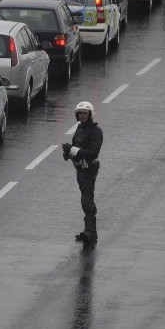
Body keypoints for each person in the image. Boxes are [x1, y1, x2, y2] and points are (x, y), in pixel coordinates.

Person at [62, 101, 102, 244]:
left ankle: (90, 233)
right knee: (85, 198)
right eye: (80, 113)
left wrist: (72, 150)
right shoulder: (80, 129)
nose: (82, 116)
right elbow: (75, 147)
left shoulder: (96, 131)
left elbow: (92, 153)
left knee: (87, 199)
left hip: (90, 168)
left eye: (85, 113)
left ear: (90, 114)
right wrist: (68, 153)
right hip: (80, 169)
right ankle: (89, 231)